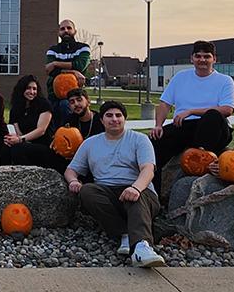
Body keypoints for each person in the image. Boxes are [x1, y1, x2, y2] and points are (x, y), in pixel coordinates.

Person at [64, 101, 165, 268]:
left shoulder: (140, 140)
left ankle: (141, 247)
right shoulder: (90, 143)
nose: (114, 119)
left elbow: (148, 169)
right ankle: (124, 233)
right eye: (109, 115)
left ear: (125, 119)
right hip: (107, 193)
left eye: (118, 115)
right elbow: (71, 170)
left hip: (140, 190)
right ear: (102, 120)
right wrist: (73, 181)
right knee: (87, 191)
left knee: (135, 198)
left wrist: (135, 188)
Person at [150, 40, 234, 193]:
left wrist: (191, 111)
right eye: (198, 56)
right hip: (184, 126)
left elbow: (227, 109)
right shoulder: (180, 77)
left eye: (207, 56)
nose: (202, 60)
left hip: (214, 128)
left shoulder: (225, 80)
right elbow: (164, 103)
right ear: (192, 58)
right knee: (153, 144)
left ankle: (204, 159)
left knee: (212, 116)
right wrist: (158, 125)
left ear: (214, 59)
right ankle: (153, 194)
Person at [0, 75, 54, 167]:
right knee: (6, 147)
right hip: (24, 143)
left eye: (34, 89)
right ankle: (3, 176)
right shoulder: (16, 108)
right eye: (28, 88)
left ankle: (27, 177)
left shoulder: (44, 104)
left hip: (43, 145)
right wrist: (12, 139)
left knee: (18, 148)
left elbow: (41, 130)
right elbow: (17, 131)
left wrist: (21, 139)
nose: (32, 92)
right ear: (21, 89)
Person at [45, 19, 90, 127]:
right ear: (58, 32)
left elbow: (80, 65)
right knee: (47, 114)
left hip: (75, 93)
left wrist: (56, 63)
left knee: (66, 106)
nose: (66, 31)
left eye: (69, 28)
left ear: (75, 31)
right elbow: (50, 71)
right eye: (62, 29)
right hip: (53, 94)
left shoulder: (83, 48)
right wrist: (73, 71)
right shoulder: (53, 50)